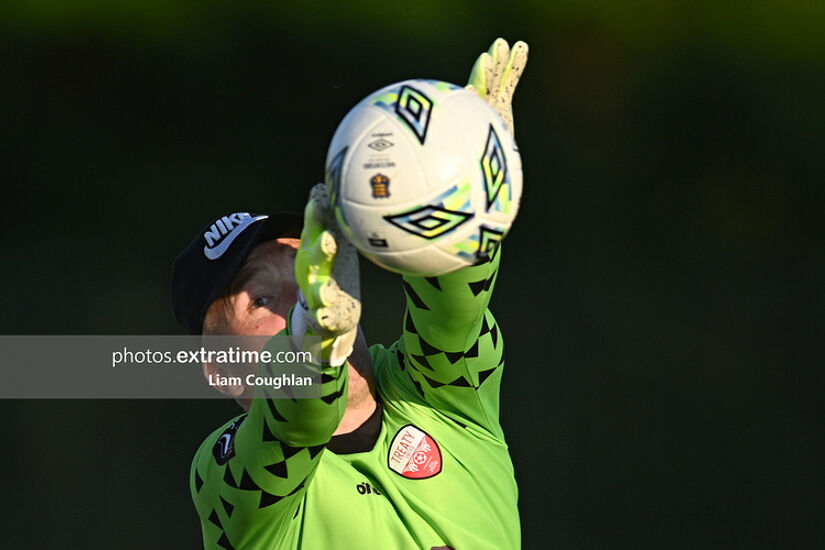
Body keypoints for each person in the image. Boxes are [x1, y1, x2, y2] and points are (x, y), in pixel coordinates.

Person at [171, 38, 529, 550]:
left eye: (311, 268)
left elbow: (453, 314)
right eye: (263, 301)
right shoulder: (222, 478)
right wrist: (312, 349)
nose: (305, 297)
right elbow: (289, 424)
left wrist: (466, 180)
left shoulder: (441, 393)